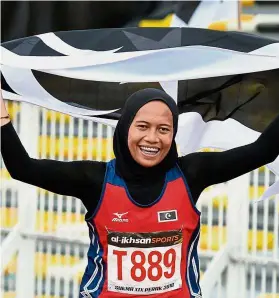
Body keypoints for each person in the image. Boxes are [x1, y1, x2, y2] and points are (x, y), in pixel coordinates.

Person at [1, 86, 279, 298]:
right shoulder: (95, 180)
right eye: (142, 127)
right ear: (125, 129)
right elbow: (22, 168)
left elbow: (262, 150)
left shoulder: (191, 174)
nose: (152, 138)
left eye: (164, 129)